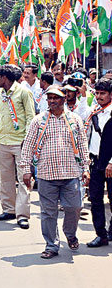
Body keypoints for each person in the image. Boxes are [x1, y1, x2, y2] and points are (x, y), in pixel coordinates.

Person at [19, 87, 90, 258]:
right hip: (46, 175)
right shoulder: (39, 121)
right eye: (49, 98)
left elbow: (82, 145)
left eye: (55, 98)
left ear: (64, 99)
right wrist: (26, 170)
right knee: (48, 212)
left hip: (71, 174)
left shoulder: (75, 120)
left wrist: (86, 168)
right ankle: (51, 245)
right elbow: (27, 146)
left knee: (74, 208)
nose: (51, 101)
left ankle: (70, 234)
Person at [0, 64, 36, 228]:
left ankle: (23, 214)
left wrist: (28, 141)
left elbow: (30, 118)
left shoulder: (24, 92)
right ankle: (9, 209)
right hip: (4, 141)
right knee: (5, 179)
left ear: (4, 77)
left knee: (24, 179)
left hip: (21, 143)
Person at [86, 79, 112, 247]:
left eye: (103, 93)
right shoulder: (94, 111)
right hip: (95, 161)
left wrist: (111, 162)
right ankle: (100, 234)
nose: (99, 96)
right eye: (97, 93)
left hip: (110, 163)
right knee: (95, 199)